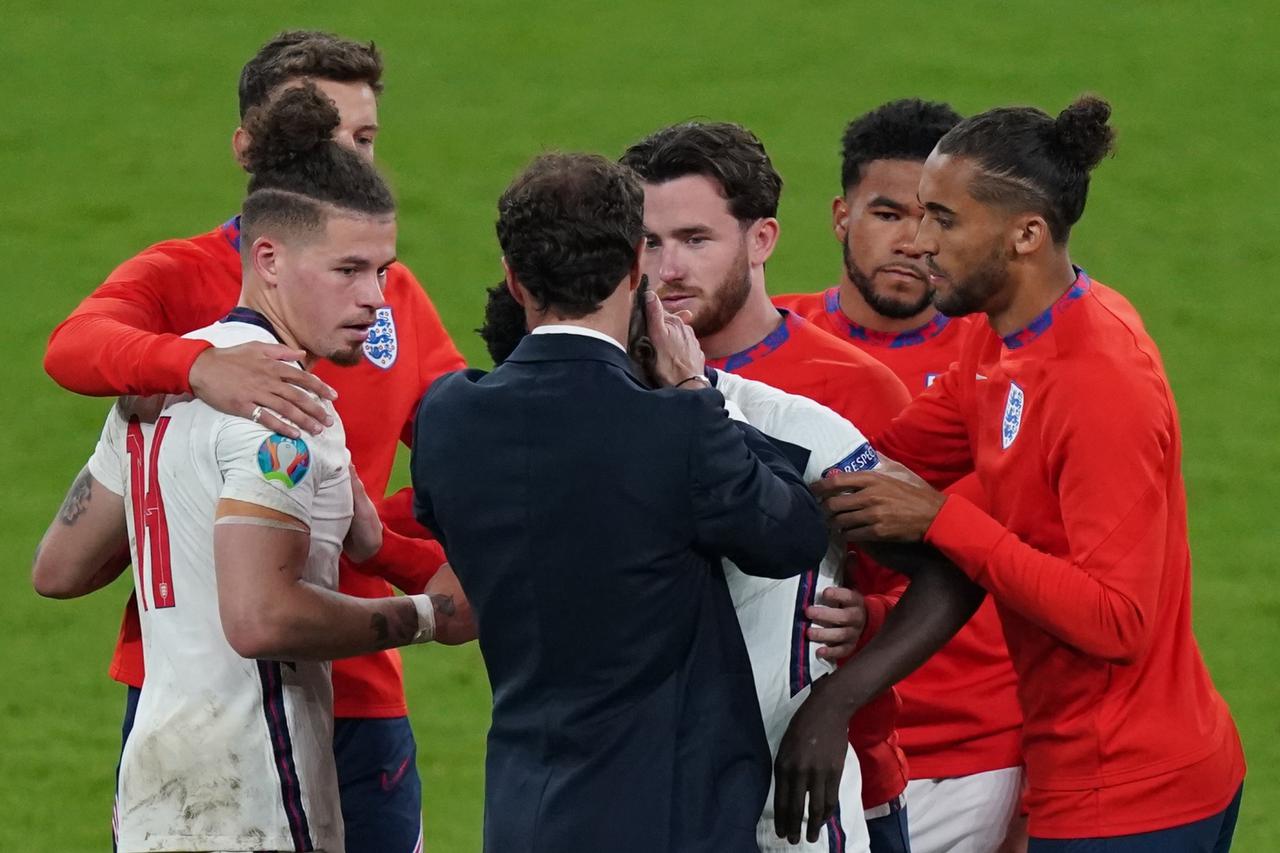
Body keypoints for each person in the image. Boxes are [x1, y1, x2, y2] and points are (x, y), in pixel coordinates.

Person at [783, 96, 1246, 851]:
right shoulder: (996, 339)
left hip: (1134, 793)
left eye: (944, 221)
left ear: (1025, 234)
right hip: (1088, 771)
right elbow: (886, 460)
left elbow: (1117, 620)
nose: (920, 244)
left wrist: (944, 520)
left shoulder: (1100, 383)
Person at [41, 31, 464, 852]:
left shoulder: (387, 293)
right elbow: (71, 347)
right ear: (251, 149)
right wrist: (196, 368)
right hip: (233, 697)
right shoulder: (187, 290)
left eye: (363, 138)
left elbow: (456, 453)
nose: (344, 158)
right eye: (316, 136)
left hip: (349, 691)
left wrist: (398, 540)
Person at [411, 152, 829, 853]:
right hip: (666, 819)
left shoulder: (450, 416)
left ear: (514, 279)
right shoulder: (675, 426)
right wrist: (696, 390)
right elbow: (792, 534)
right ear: (637, 266)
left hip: (521, 813)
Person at [623, 120, 918, 852]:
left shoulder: (855, 392)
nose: (668, 268)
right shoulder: (616, 380)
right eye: (649, 242)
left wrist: (868, 618)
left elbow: (933, 579)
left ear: (761, 240)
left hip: (823, 791)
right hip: (656, 789)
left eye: (695, 239)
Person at [776, 100, 1026, 853]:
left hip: (968, 760)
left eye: (934, 219)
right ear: (840, 215)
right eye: (887, 213)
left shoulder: (1003, 370)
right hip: (799, 747)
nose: (912, 242)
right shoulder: (768, 347)